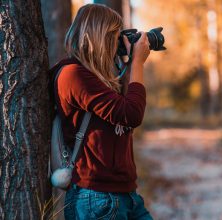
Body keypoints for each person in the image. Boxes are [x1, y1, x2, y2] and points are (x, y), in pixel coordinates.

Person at [49, 4, 152, 219]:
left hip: (125, 195)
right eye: (115, 36)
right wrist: (137, 64)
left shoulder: (100, 77)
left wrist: (129, 62)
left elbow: (127, 104)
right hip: (96, 197)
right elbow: (131, 114)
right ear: (100, 36)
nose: (118, 43)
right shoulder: (73, 74)